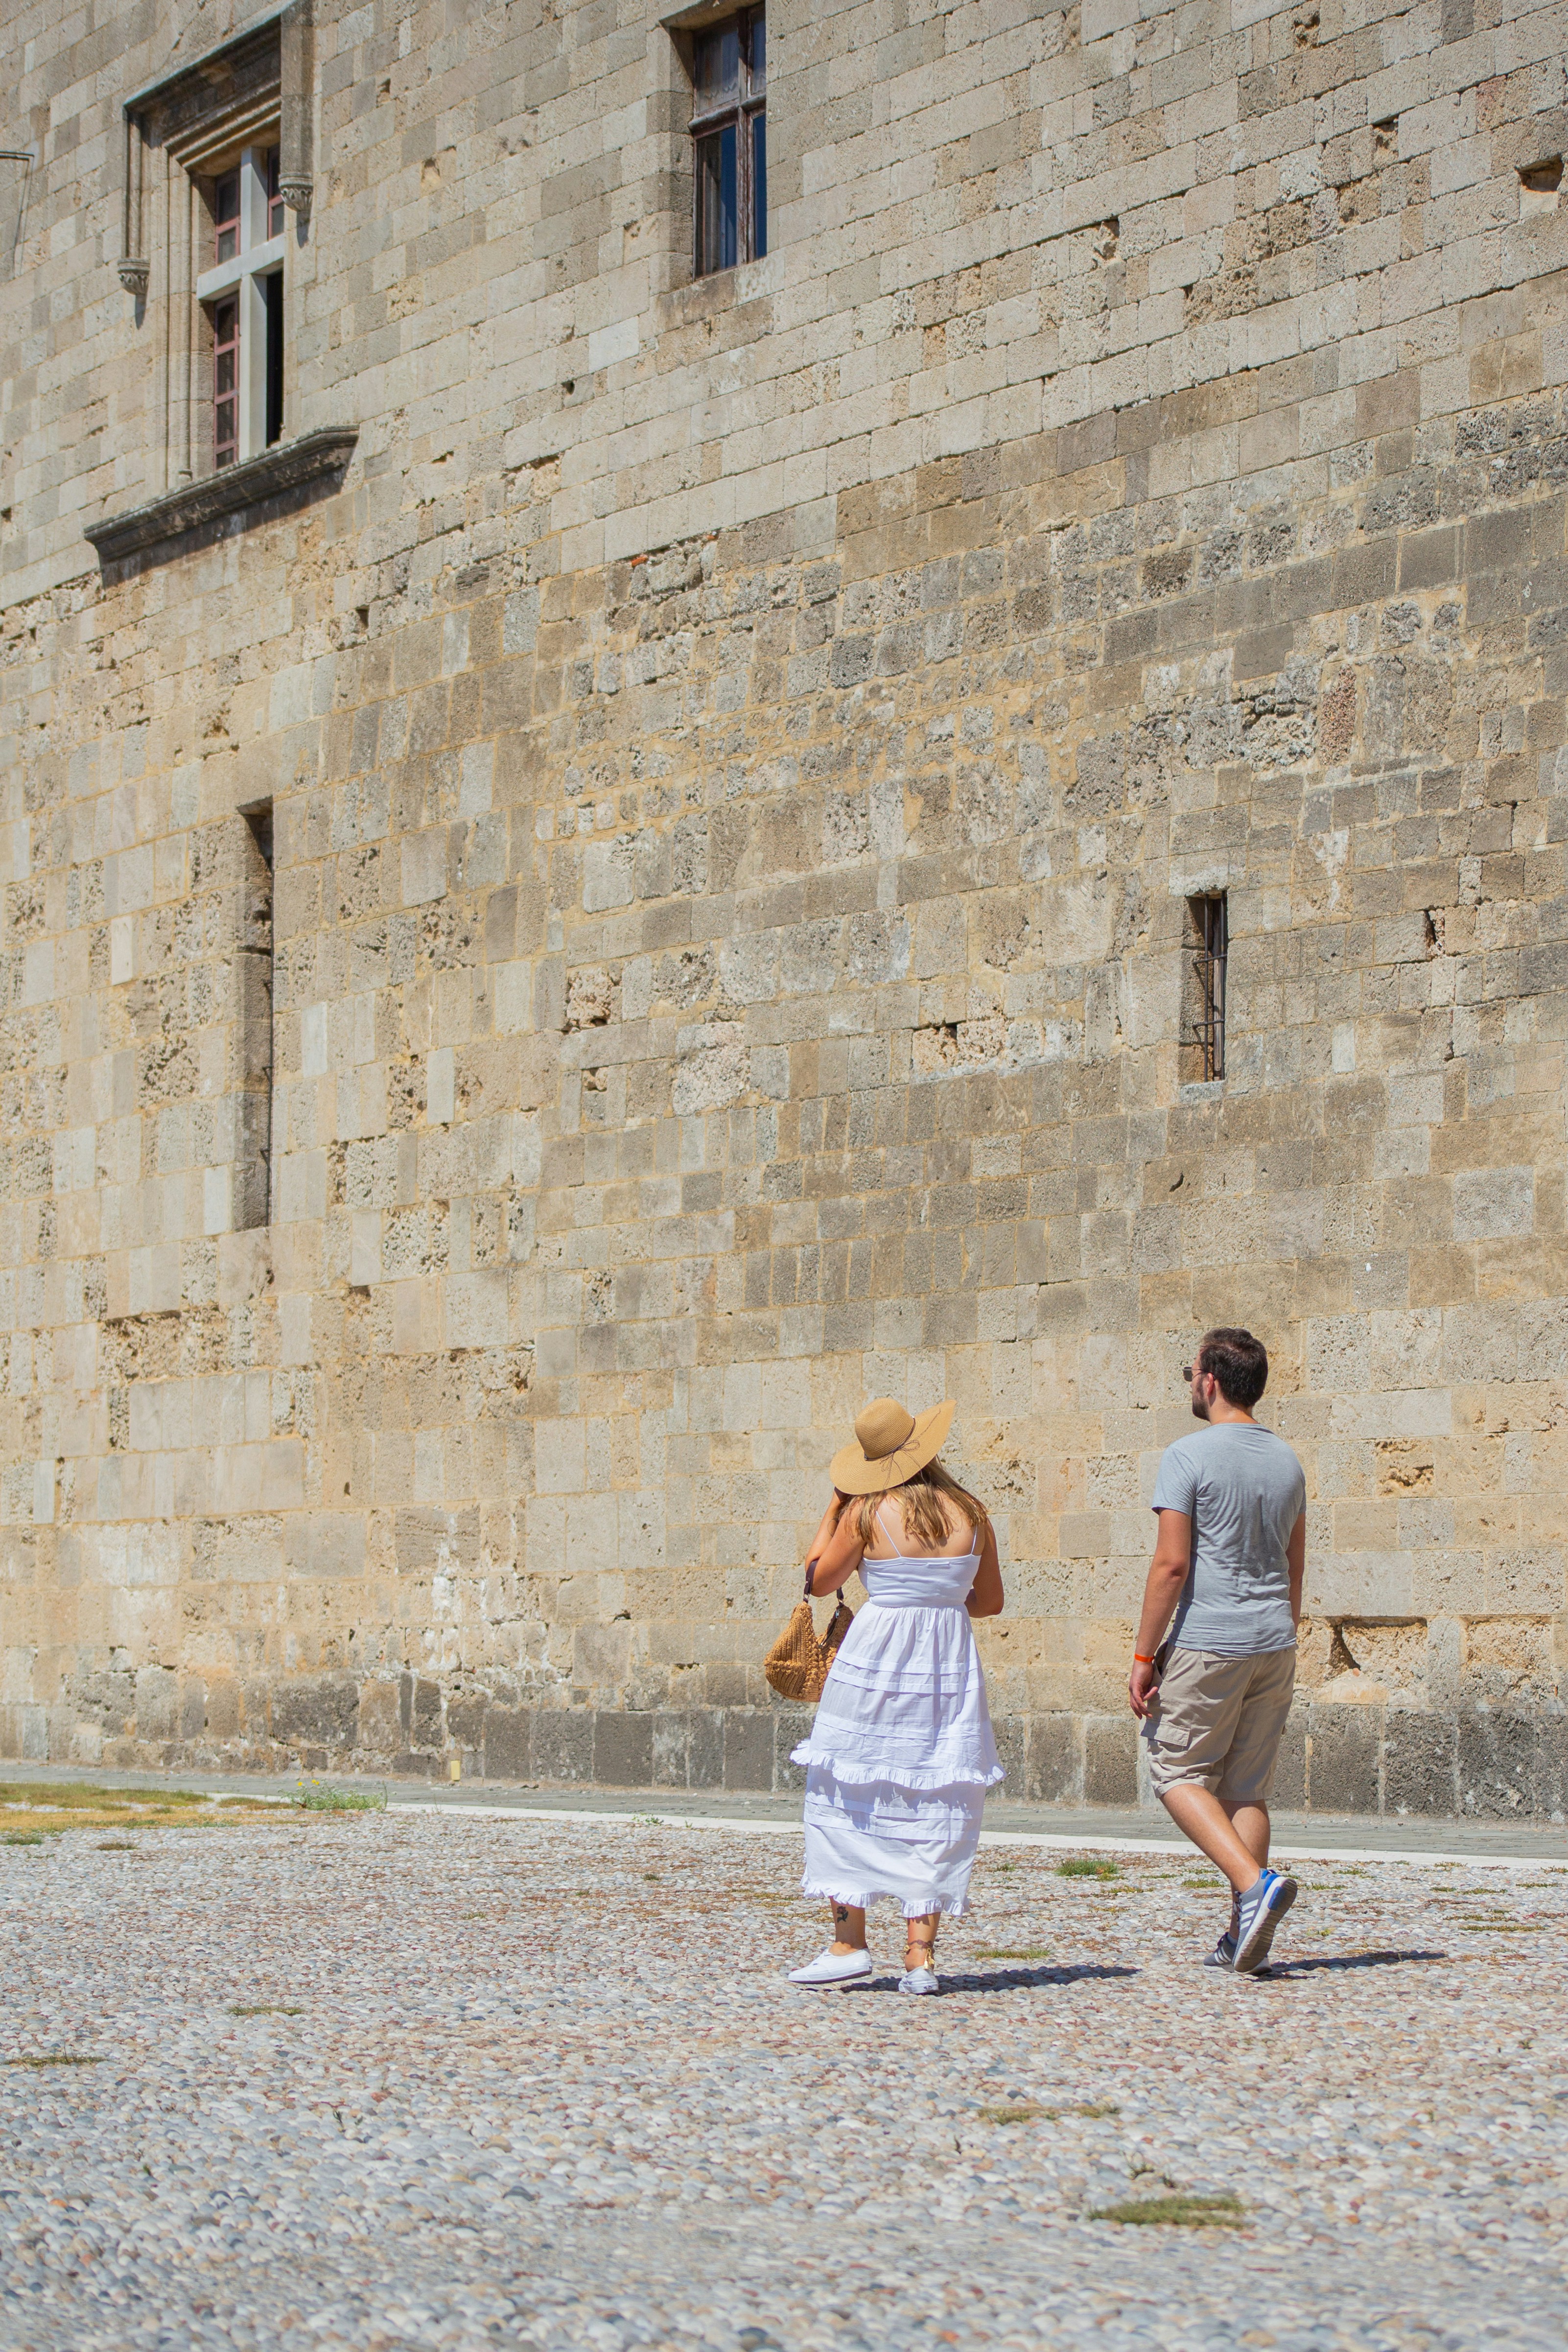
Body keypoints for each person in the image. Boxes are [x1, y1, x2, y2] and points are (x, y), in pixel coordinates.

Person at [785, 1398, 1005, 1995]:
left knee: (845, 1786)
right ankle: (919, 1958)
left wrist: (833, 1508)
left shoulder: (866, 1513)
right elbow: (988, 1602)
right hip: (945, 1664)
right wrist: (935, 1598)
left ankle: (848, 1942)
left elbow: (818, 1578)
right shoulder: (971, 1512)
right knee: (932, 1790)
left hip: (875, 1662)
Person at [1128, 1328, 1307, 1976]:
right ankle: (1242, 1937)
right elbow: (1294, 1563)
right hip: (1273, 1639)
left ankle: (1253, 1887)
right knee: (1245, 1788)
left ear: (1208, 1381)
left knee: (1176, 1773)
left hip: (1209, 1638)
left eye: (1189, 1373)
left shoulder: (1185, 1455)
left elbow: (1170, 1566)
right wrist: (1280, 1631)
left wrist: (1144, 1657)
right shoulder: (1286, 1460)